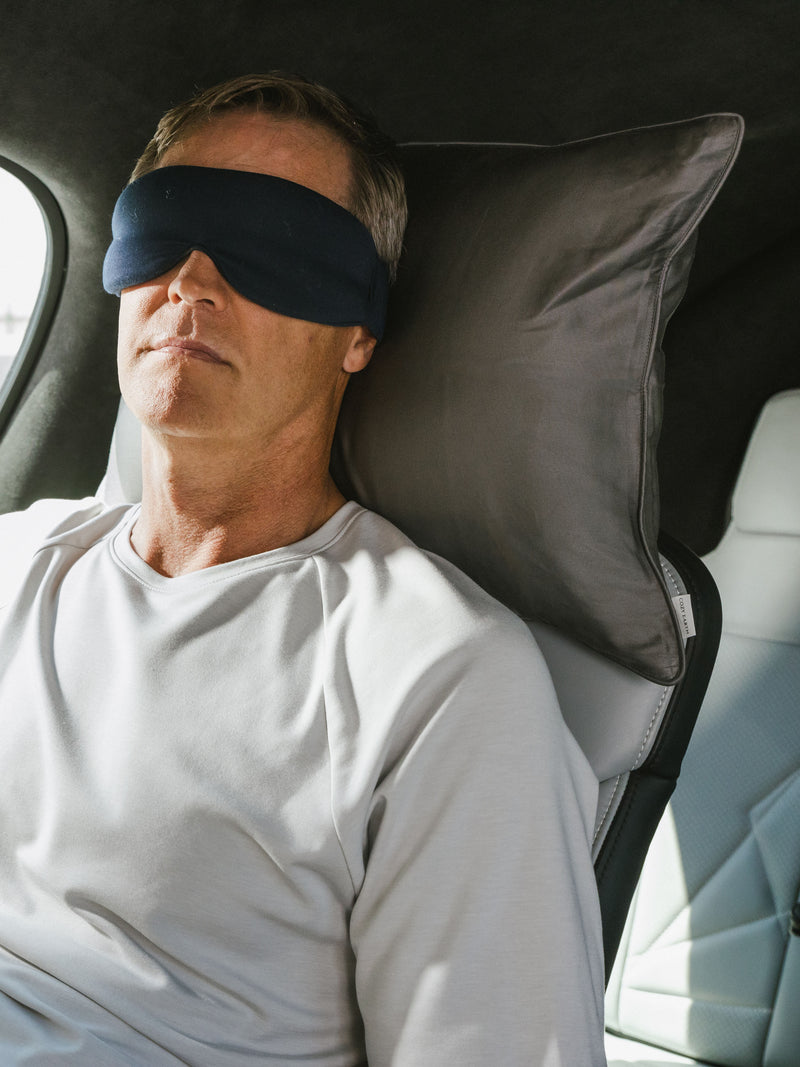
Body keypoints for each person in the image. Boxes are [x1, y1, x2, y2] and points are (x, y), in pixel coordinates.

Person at [0, 73, 606, 1064]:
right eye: (165, 227)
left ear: (358, 331)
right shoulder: (18, 565)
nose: (191, 282)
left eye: (269, 245)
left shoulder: (437, 676)